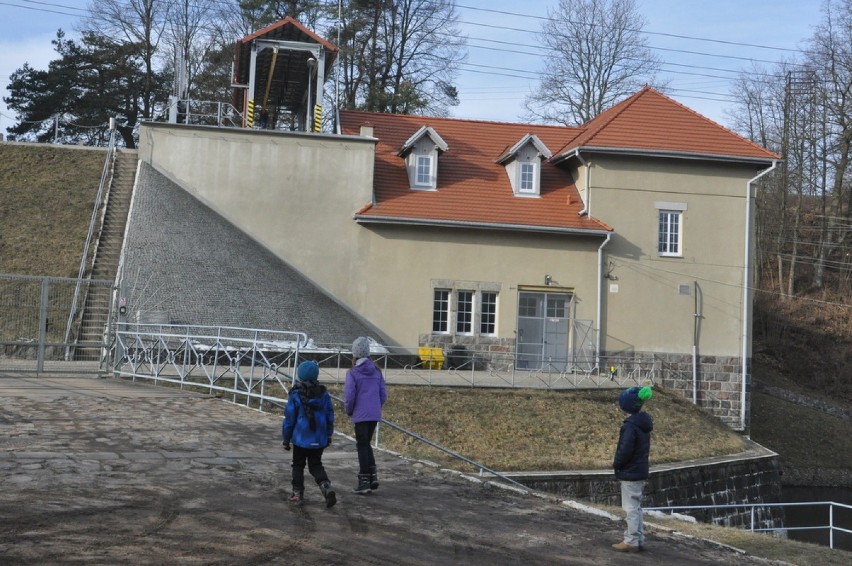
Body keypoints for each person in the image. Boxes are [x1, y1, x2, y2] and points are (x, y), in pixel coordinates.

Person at [281, 360, 336, 508]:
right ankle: (325, 486)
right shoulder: (324, 394)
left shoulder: (295, 394)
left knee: (298, 465)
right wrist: (328, 435)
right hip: (319, 438)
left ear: (300, 376)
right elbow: (330, 416)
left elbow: (289, 419)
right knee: (316, 465)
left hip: (300, 439)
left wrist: (286, 438)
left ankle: (297, 494)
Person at [611, 385, 654, 553]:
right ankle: (638, 537)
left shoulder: (630, 426)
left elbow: (625, 449)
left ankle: (631, 540)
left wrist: (617, 464)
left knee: (630, 508)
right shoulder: (643, 424)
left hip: (630, 472)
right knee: (636, 507)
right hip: (640, 470)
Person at [344, 336, 387, 494]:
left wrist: (349, 410)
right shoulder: (377, 371)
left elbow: (350, 395)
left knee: (361, 445)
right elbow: (383, 393)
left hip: (360, 414)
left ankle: (364, 481)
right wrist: (376, 406)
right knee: (366, 443)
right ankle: (372, 476)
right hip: (374, 413)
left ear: (354, 354)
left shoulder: (353, 373)